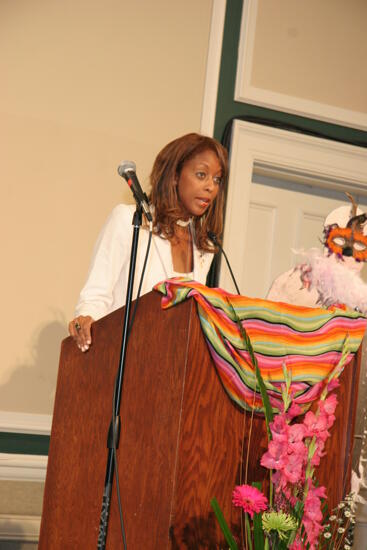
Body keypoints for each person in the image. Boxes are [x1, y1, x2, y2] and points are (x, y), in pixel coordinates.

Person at [68, 133, 228, 352]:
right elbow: (95, 296)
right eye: (201, 175)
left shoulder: (204, 246)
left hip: (170, 368)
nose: (211, 186)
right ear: (174, 176)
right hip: (121, 357)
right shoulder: (129, 221)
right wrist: (86, 321)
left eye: (217, 179)